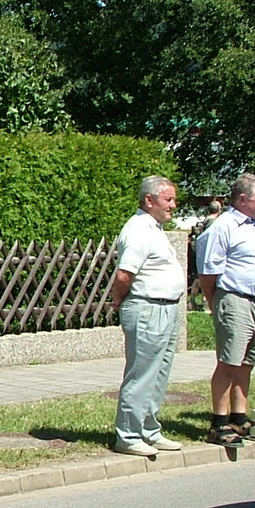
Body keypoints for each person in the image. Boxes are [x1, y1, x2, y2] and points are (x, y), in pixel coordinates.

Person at [193, 173, 255, 446]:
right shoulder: (224, 226)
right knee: (229, 362)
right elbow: (208, 272)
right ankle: (219, 423)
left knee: (246, 363)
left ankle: (239, 417)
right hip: (235, 299)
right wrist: (214, 302)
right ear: (242, 199)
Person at [108, 175, 187, 457]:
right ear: (149, 200)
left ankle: (149, 430)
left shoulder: (154, 228)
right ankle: (128, 435)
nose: (174, 205)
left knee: (159, 373)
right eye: (169, 200)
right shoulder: (139, 230)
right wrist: (119, 300)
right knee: (141, 373)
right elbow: (124, 274)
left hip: (167, 307)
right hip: (147, 308)